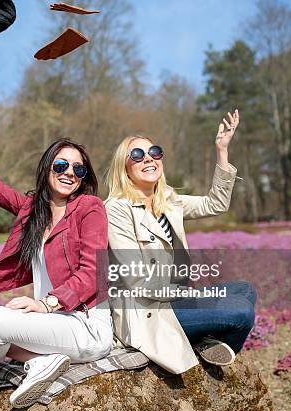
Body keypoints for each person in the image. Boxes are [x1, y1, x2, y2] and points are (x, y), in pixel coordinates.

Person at [0, 138, 113, 408]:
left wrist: (46, 303)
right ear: (47, 168)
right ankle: (40, 359)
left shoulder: (89, 207)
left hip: (83, 324)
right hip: (48, 325)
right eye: (61, 164)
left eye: (79, 169)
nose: (70, 173)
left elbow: (93, 272)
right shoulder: (33, 209)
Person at [104, 110, 256, 374]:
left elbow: (215, 204)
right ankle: (201, 340)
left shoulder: (168, 200)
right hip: (147, 312)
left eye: (154, 152)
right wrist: (189, 294)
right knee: (241, 311)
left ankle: (204, 341)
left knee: (245, 290)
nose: (148, 158)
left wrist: (222, 151)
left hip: (173, 300)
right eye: (137, 155)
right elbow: (135, 279)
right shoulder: (116, 209)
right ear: (124, 168)